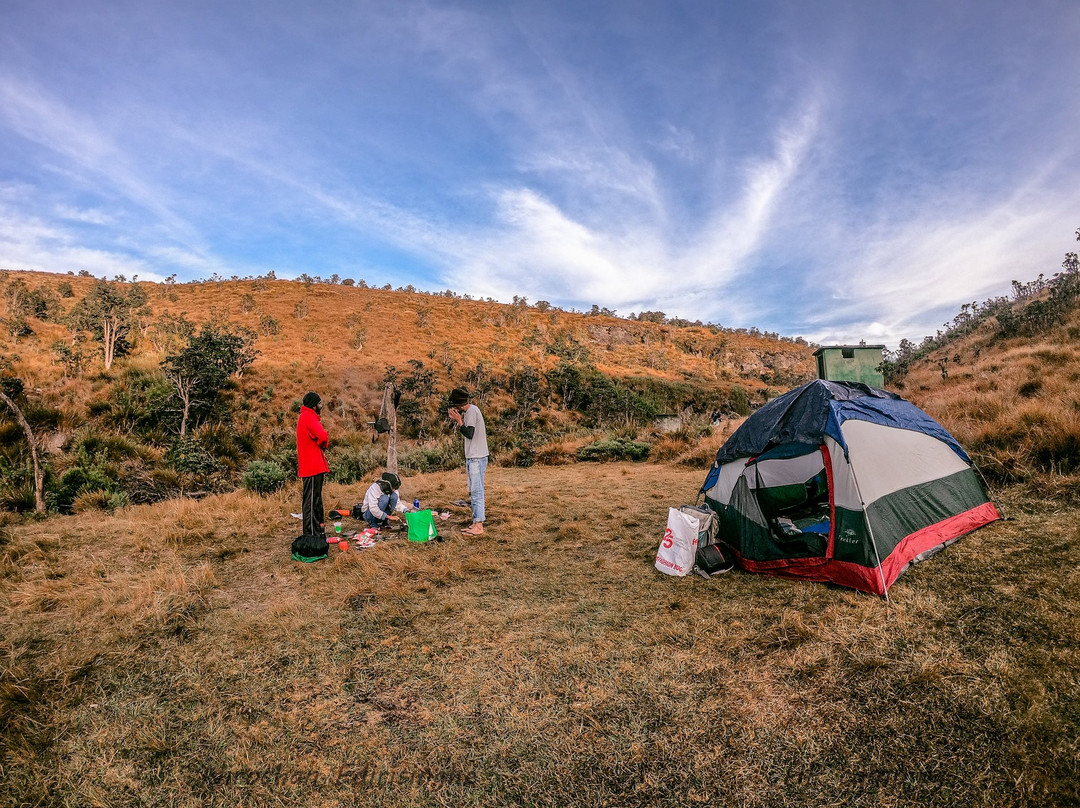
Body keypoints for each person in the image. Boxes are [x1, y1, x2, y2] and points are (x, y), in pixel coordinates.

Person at [447, 387, 487, 535]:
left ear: (457, 405)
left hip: (476, 457)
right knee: (474, 491)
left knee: (476, 492)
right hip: (475, 456)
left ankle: (479, 525)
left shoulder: (470, 412)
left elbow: (469, 433)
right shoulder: (473, 410)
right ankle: (475, 522)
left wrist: (459, 421)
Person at [296, 391, 329, 539]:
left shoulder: (305, 416)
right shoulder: (308, 417)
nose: (321, 406)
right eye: (319, 403)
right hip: (312, 466)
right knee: (311, 501)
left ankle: (316, 531)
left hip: (312, 466)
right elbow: (322, 436)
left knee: (314, 499)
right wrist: (323, 443)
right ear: (314, 406)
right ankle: (310, 534)